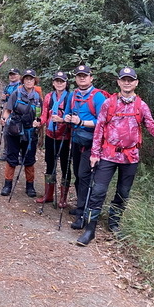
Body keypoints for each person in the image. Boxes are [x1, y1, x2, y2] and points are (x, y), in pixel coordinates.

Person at [76, 67, 154, 246]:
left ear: (136, 83)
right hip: (108, 155)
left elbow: (151, 126)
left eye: (130, 80)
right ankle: (90, 229)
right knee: (98, 192)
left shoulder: (141, 105)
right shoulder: (109, 103)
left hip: (130, 157)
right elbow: (99, 129)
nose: (127, 83)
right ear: (118, 82)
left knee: (123, 192)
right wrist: (94, 153)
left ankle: (114, 223)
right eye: (124, 79)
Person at [64, 65, 107, 229]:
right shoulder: (73, 95)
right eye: (79, 76)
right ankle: (81, 207)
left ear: (91, 78)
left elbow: (102, 122)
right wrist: (67, 117)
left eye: (85, 75)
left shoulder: (98, 97)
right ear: (75, 78)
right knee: (78, 175)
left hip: (91, 144)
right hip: (75, 140)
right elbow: (67, 114)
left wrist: (82, 122)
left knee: (84, 176)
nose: (82, 78)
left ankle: (83, 213)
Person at [0, 69, 43, 198]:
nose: (29, 81)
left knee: (29, 159)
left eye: (31, 79)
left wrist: (39, 124)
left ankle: (30, 186)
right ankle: (7, 184)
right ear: (23, 80)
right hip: (14, 129)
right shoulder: (16, 93)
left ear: (35, 81)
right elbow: (8, 110)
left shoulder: (37, 98)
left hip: (30, 132)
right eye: (26, 79)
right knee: (11, 157)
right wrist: (4, 119)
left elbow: (40, 116)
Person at [37, 71, 71, 208]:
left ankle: (63, 198)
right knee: (50, 164)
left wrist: (62, 120)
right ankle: (48, 195)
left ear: (66, 83)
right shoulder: (49, 97)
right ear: (53, 83)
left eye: (62, 81)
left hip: (65, 137)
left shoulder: (70, 97)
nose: (59, 83)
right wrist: (39, 121)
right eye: (57, 81)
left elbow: (73, 117)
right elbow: (45, 114)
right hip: (51, 135)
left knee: (65, 167)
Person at [0, 68, 21, 161]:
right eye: (11, 74)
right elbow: (6, 100)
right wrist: (3, 98)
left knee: (18, 133)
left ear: (19, 76)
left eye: (14, 74)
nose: (12, 76)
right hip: (9, 112)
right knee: (6, 132)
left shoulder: (21, 87)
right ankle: (6, 153)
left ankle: (18, 155)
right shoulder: (8, 86)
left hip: (18, 113)